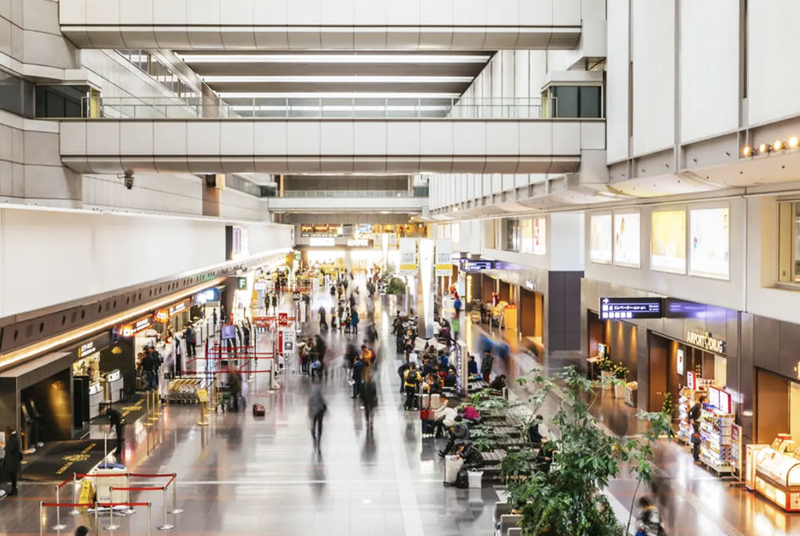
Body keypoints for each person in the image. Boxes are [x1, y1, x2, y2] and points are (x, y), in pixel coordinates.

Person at [1, 427, 21, 496]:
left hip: (11, 461)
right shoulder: (15, 438)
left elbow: (10, 449)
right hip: (13, 460)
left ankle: (13, 490)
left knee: (12, 476)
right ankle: (14, 489)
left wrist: (4, 446)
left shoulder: (13, 439)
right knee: (13, 476)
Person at [308, 386, 327, 452]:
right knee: (319, 426)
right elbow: (324, 404)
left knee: (313, 426)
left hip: (314, 412)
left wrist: (310, 412)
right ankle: (318, 439)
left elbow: (309, 404)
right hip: (320, 411)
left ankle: (315, 439)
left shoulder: (311, 398)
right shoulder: (320, 397)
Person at [689, 394, 707, 463]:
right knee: (697, 440)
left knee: (699, 440)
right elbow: (690, 412)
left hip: (701, 424)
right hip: (696, 423)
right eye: (706, 401)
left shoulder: (704, 408)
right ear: (702, 401)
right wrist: (691, 419)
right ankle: (695, 456)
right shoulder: (697, 406)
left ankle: (698, 454)